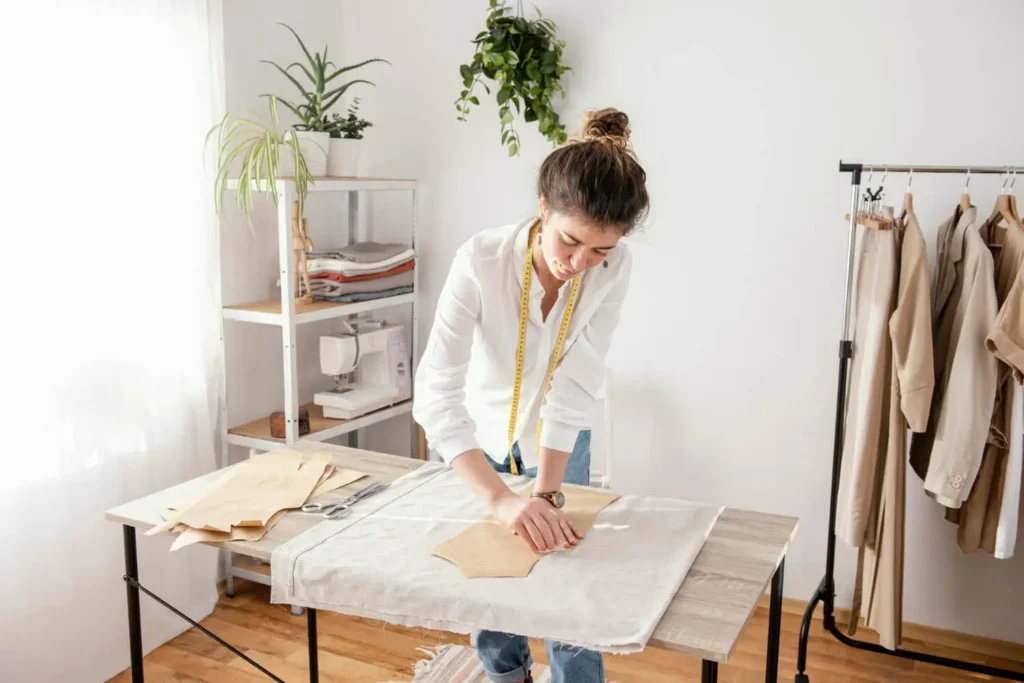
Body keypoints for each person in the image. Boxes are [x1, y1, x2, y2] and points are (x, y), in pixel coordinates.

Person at [412, 107, 650, 683]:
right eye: (570, 243)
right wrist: (500, 500)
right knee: (494, 595)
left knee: (568, 592)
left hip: (561, 445)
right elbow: (434, 394)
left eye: (601, 252)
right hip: (484, 439)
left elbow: (574, 385)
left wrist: (544, 494)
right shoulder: (480, 260)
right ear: (543, 206)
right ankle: (505, 675)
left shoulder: (612, 272)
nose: (579, 265)